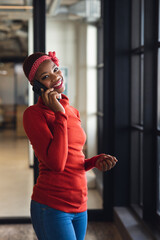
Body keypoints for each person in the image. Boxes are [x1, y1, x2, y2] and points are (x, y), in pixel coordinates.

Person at [23, 51, 118, 240]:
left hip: (80, 205)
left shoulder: (71, 111)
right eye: (45, 77)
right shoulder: (33, 115)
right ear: (37, 86)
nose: (56, 77)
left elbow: (74, 158)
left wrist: (94, 161)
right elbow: (57, 163)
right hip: (52, 206)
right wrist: (59, 114)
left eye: (55, 70)